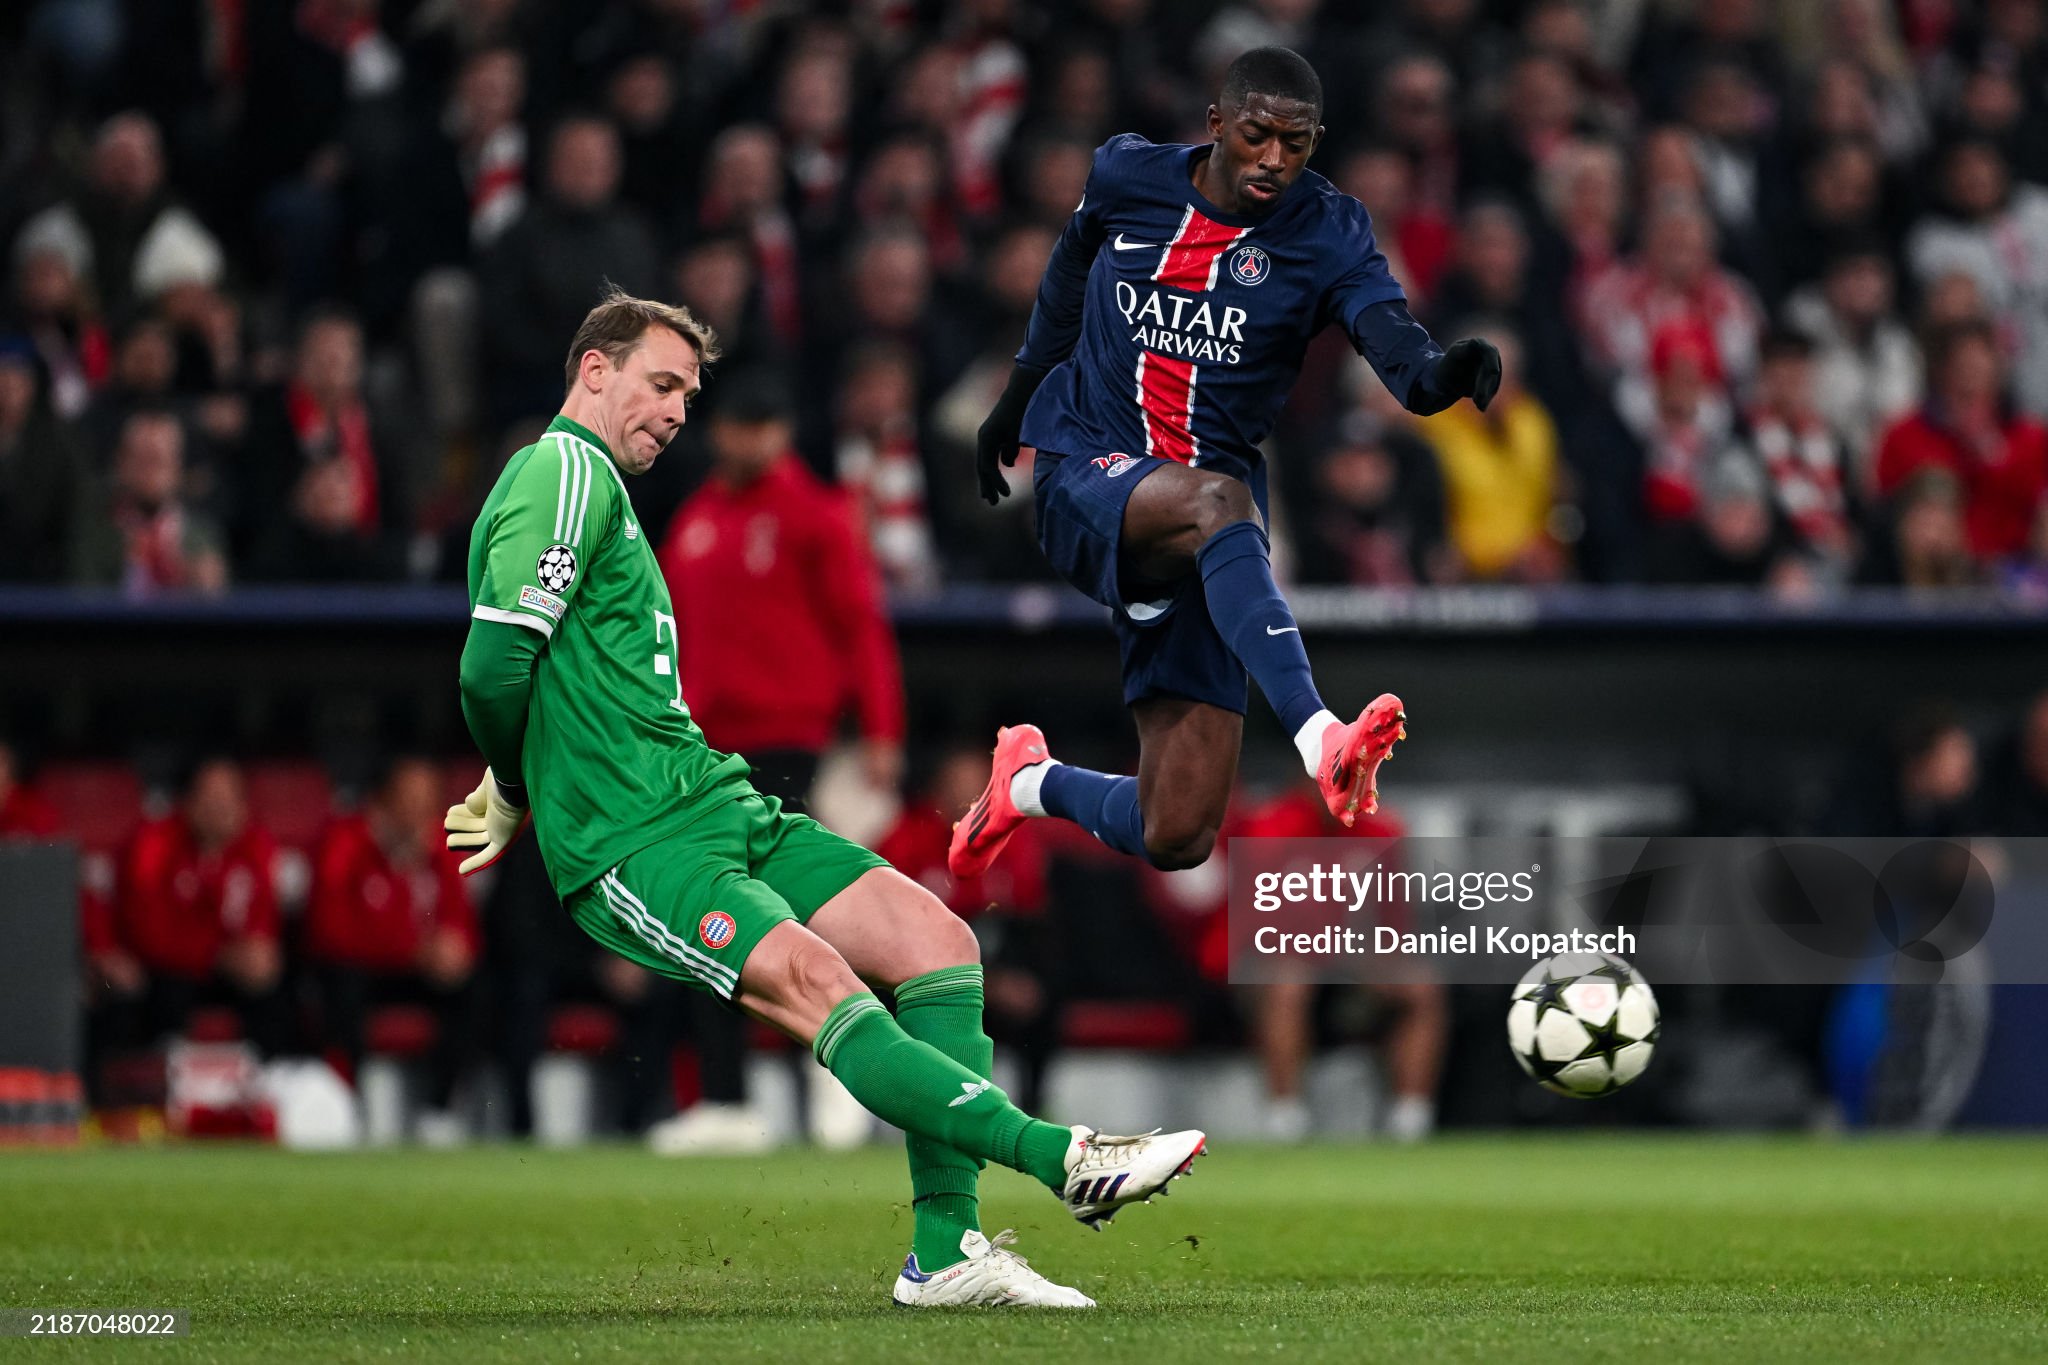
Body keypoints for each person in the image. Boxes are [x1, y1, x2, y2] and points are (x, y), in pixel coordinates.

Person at [448, 286, 1204, 1310]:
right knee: (814, 979)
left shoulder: (607, 493)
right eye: (661, 385)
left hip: (714, 799)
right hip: (634, 839)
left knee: (937, 942)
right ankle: (1062, 1157)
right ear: (595, 369)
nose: (676, 412)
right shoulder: (562, 472)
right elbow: (492, 665)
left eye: (687, 396)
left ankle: (944, 1254)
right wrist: (510, 785)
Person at [957, 47, 1500, 880]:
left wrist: (1440, 376)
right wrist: (1019, 394)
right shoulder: (1128, 175)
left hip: (1208, 538)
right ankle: (1321, 736)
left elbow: (1391, 341)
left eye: (1296, 143)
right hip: (1089, 468)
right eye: (1257, 135)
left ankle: (1026, 783)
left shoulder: (1328, 231)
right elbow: (1069, 265)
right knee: (1220, 501)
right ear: (1217, 124)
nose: (1275, 159)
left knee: (1178, 829)